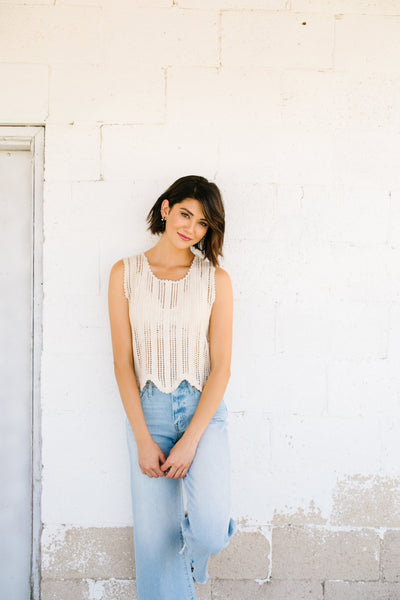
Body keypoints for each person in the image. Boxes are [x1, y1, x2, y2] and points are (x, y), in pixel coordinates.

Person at [108, 175, 237, 600]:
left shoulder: (215, 279)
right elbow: (123, 363)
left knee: (212, 529)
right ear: (165, 209)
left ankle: (192, 557)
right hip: (149, 412)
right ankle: (173, 564)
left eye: (203, 223)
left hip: (202, 409)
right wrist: (144, 439)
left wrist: (191, 440)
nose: (192, 229)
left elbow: (220, 368)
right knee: (154, 546)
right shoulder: (124, 274)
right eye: (186, 214)